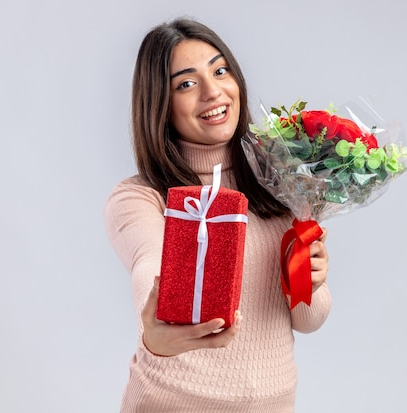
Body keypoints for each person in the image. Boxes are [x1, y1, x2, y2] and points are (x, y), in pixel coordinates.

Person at [104, 17, 331, 412]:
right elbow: (151, 266)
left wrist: (309, 278)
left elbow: (308, 320)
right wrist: (156, 331)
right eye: (186, 84)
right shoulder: (141, 198)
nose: (213, 92)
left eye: (220, 70)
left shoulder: (281, 185)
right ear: (160, 102)